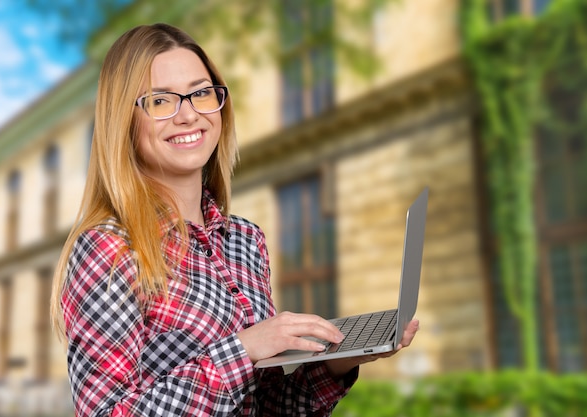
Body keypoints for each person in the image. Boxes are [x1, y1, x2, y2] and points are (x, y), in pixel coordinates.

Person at [50, 23, 419, 417]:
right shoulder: (109, 248)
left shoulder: (245, 239)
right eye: (161, 101)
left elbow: (266, 407)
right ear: (124, 119)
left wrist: (335, 364)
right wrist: (242, 349)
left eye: (201, 93)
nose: (189, 115)